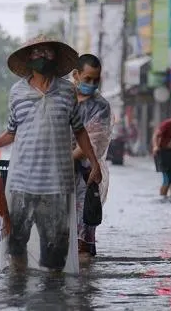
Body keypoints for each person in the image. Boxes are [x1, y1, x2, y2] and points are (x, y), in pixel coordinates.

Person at [0, 35, 102, 274]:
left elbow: (79, 130)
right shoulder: (17, 92)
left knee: (55, 250)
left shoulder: (67, 91)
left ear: (55, 58)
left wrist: (95, 164)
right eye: (37, 52)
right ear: (28, 58)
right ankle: (18, 293)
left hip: (57, 184)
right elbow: (11, 132)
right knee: (16, 245)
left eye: (48, 52)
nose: (42, 56)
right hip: (21, 182)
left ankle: (52, 297)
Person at [71, 54, 113, 258]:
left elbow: (93, 142)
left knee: (83, 239)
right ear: (75, 75)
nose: (92, 84)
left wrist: (62, 161)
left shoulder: (101, 107)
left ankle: (85, 286)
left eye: (96, 79)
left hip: (86, 176)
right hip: (54, 177)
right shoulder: (62, 98)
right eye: (87, 79)